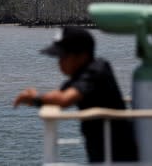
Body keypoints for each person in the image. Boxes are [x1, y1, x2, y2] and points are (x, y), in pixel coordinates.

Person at [13, 26, 138, 163]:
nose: (59, 62)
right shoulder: (79, 77)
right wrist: (39, 97)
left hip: (119, 156)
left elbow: (64, 99)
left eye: (63, 56)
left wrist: (35, 98)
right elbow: (60, 94)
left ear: (82, 56)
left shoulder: (97, 71)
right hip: (104, 155)